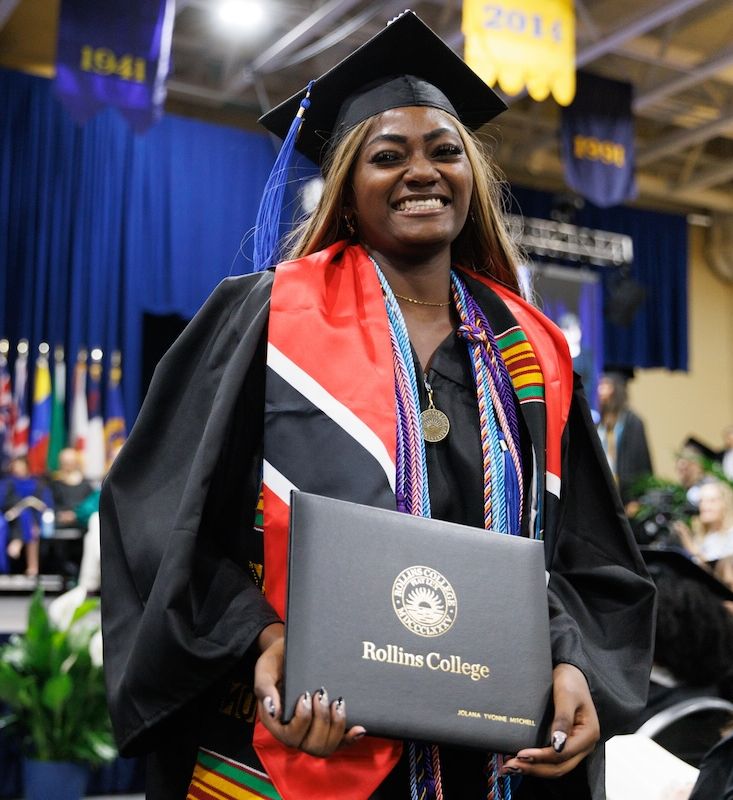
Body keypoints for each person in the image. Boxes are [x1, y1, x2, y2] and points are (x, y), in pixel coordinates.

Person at [100, 12, 655, 800]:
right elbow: (160, 522)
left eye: (444, 150)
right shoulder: (263, 319)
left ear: (473, 177)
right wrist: (262, 640)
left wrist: (575, 665)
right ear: (348, 193)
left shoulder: (533, 354)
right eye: (386, 155)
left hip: (490, 749)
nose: (420, 171)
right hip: (306, 738)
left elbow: (589, 561)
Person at [596, 369, 653, 505]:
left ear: (617, 390)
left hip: (627, 499)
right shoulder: (597, 423)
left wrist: (638, 499)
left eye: (605, 385)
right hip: (601, 496)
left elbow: (642, 462)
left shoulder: (632, 422)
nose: (600, 391)